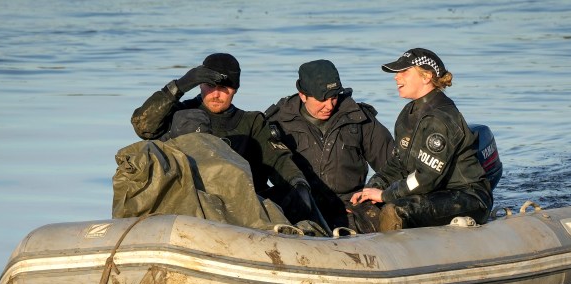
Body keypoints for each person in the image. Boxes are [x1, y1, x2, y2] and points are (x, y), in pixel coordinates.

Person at [130, 52, 330, 234]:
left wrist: (298, 182)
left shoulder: (251, 123)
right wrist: (179, 86)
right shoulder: (178, 115)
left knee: (293, 193)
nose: (216, 94)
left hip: (242, 209)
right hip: (192, 205)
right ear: (200, 85)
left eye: (224, 88)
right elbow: (143, 126)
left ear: (235, 89)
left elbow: (277, 160)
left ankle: (325, 242)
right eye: (210, 86)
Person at [349, 48, 494, 233]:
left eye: (404, 72)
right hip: (433, 192)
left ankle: (394, 255)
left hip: (467, 196)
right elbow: (397, 165)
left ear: (426, 77)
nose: (396, 77)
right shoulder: (407, 115)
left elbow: (425, 178)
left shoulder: (441, 118)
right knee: (365, 205)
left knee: (396, 210)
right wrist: (371, 189)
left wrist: (386, 195)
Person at [264, 59, 394, 230]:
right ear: (303, 95)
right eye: (321, 99)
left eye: (333, 97)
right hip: (298, 203)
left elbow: (393, 166)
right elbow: (258, 173)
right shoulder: (278, 121)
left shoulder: (359, 118)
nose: (329, 106)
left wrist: (369, 194)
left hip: (350, 207)